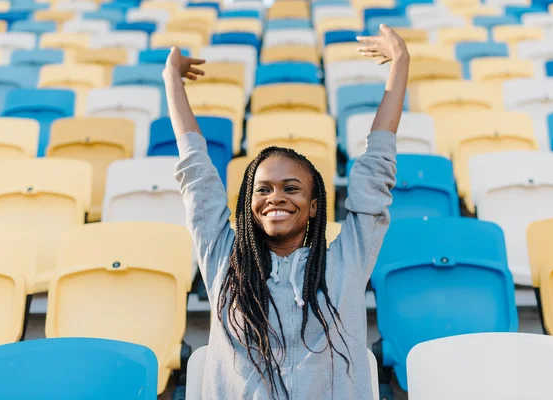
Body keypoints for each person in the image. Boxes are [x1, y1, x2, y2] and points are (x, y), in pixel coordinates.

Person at [164, 24, 409, 400]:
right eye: (263, 189)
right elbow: (196, 175)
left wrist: (400, 64)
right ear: (249, 204)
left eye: (290, 188)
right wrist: (172, 82)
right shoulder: (223, 263)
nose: (275, 197)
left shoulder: (347, 262)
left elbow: (376, 168)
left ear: (314, 207)